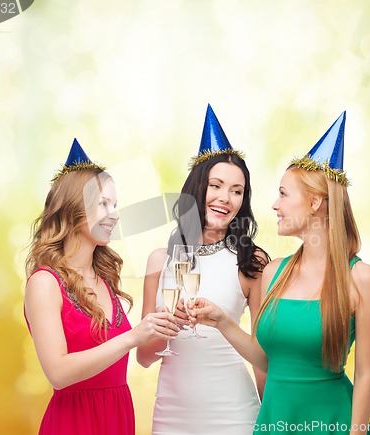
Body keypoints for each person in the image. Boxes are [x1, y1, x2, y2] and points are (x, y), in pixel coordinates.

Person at [190, 112, 370, 434]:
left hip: (333, 423)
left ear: (315, 203)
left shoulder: (362, 279)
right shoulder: (274, 271)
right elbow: (268, 361)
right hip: (275, 423)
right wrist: (221, 321)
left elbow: (365, 375)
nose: (274, 205)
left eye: (283, 193)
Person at [24, 139, 179, 435]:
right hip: (74, 423)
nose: (115, 214)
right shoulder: (45, 282)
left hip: (117, 417)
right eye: (103, 204)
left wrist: (165, 328)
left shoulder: (105, 277)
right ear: (72, 209)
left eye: (115, 205)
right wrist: (132, 337)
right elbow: (57, 373)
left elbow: (139, 354)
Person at [136, 105, 269, 434]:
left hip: (234, 415)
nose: (226, 198)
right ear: (197, 189)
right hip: (171, 416)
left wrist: (272, 421)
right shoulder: (159, 260)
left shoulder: (251, 262)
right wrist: (167, 327)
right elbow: (143, 356)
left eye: (237, 191)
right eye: (216, 186)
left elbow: (264, 357)